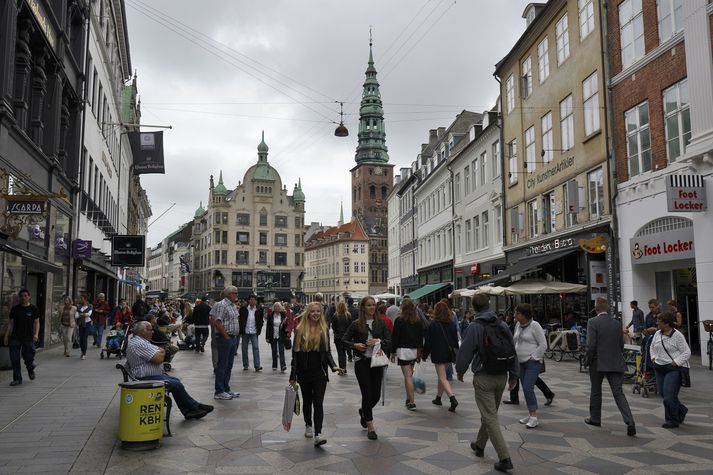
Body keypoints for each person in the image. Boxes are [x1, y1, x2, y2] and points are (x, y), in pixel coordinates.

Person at [456, 294, 518, 473]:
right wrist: (514, 376)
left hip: (483, 377)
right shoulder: (502, 324)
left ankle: (505, 458)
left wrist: (460, 370)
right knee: (489, 413)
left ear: (474, 307)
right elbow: (512, 350)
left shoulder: (475, 327)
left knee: (490, 417)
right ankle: (480, 445)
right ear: (489, 305)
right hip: (502, 376)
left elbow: (465, 350)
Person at [126, 321, 213, 420]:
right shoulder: (139, 344)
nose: (153, 332)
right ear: (142, 331)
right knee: (176, 384)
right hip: (145, 379)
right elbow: (159, 359)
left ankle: (189, 410)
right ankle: (194, 407)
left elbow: (159, 353)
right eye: (151, 330)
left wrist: (160, 352)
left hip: (148, 375)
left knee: (176, 382)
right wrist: (161, 351)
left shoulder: (141, 341)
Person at [289, 302, 345, 446]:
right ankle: (308, 425)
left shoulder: (324, 329)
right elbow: (295, 354)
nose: (316, 314)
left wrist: (333, 366)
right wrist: (293, 376)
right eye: (313, 311)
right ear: (308, 313)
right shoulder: (300, 329)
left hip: (320, 371)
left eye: (318, 311)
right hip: (304, 371)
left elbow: (327, 352)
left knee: (318, 402)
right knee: (307, 401)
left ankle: (318, 434)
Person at [584, 298, 636, 437]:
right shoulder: (616, 323)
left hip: (597, 362)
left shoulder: (592, 322)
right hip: (615, 361)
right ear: (607, 309)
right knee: (618, 393)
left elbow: (591, 345)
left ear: (596, 309)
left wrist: (587, 361)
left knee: (596, 391)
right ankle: (630, 421)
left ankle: (595, 418)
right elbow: (621, 344)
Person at [342, 296, 392, 440]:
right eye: (369, 305)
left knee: (375, 395)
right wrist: (354, 345)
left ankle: (364, 412)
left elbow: (390, 342)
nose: (371, 307)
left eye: (373, 305)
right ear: (363, 307)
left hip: (376, 362)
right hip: (362, 362)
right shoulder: (356, 324)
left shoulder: (381, 324)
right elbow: (343, 340)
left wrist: (379, 341)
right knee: (367, 393)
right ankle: (370, 427)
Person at [650, 311, 691, 428]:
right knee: (664, 394)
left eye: (660, 322)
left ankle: (672, 420)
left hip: (672, 368)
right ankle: (681, 410)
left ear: (667, 324)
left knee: (668, 397)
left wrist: (676, 362)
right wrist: (653, 357)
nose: (657, 324)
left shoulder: (677, 335)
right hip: (659, 367)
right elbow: (652, 347)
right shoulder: (658, 333)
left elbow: (687, 352)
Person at [512, 303, 547, 429]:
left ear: (523, 315)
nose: (514, 315)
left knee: (528, 387)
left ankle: (534, 416)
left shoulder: (535, 325)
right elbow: (514, 341)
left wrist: (534, 357)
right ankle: (530, 413)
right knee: (525, 387)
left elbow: (543, 344)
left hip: (532, 362)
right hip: (520, 362)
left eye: (517, 313)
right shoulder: (518, 325)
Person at [423, 301, 459, 412]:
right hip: (449, 354)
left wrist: (424, 354)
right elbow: (455, 341)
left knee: (442, 378)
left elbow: (428, 342)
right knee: (442, 377)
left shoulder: (433, 324)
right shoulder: (452, 323)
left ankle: (452, 398)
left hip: (438, 354)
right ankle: (438, 398)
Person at [391, 298, 424, 411]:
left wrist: (392, 351)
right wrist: (420, 351)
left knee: (408, 376)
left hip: (403, 351)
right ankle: (408, 398)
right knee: (410, 375)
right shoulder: (418, 320)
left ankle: (411, 402)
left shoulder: (399, 320)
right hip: (414, 351)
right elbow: (421, 338)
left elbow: (395, 337)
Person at [4, 289, 40, 386]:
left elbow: (37, 323)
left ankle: (30, 369)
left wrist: (36, 334)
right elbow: (10, 323)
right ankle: (17, 379)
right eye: (21, 296)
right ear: (19, 297)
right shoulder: (15, 309)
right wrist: (7, 336)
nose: (23, 298)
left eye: (25, 296)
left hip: (28, 338)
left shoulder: (33, 309)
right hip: (15, 337)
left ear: (29, 297)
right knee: (14, 359)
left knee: (28, 357)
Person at [211, 286, 241, 400]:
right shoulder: (222, 305)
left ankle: (226, 388)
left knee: (229, 365)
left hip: (232, 338)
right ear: (229, 294)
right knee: (222, 365)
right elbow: (217, 322)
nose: (237, 295)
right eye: (235, 293)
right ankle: (219, 391)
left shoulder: (232, 305)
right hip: (225, 338)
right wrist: (226, 337)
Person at [238, 294, 264, 371]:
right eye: (251, 299)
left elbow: (261, 320)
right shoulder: (243, 309)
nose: (252, 301)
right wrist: (241, 330)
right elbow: (240, 319)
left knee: (256, 348)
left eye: (254, 300)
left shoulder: (259, 310)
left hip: (254, 331)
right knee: (244, 348)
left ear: (256, 301)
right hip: (245, 331)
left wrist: (259, 328)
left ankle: (257, 365)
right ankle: (245, 365)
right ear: (248, 301)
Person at [330, 302, 353, 371]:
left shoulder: (335, 315)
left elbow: (333, 326)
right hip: (346, 337)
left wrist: (336, 332)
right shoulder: (348, 315)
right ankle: (344, 367)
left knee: (340, 353)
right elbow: (350, 326)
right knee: (344, 352)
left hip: (338, 337)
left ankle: (342, 368)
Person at [267, 302, 289, 372]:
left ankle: (283, 366)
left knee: (281, 350)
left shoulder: (283, 315)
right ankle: (274, 365)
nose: (277, 308)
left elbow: (286, 325)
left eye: (278, 307)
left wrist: (286, 327)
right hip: (273, 334)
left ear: (280, 308)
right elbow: (268, 327)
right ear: (274, 308)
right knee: (274, 350)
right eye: (275, 307)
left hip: (281, 334)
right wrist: (267, 337)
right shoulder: (271, 315)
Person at [76, 295, 93, 360]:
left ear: (85, 299)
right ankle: (82, 351)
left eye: (81, 298)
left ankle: (84, 353)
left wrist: (82, 314)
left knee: (84, 338)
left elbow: (89, 314)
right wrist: (83, 314)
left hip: (87, 324)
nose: (80, 300)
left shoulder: (90, 306)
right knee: (81, 338)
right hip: (80, 324)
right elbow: (76, 316)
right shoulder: (79, 307)